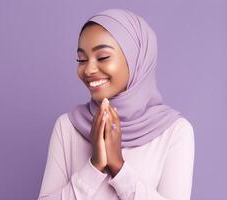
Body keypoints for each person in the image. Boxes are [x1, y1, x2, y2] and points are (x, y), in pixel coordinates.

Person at [37, 8, 195, 200]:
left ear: (136, 59)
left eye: (102, 57)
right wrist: (93, 168)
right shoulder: (67, 126)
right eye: (82, 59)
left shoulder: (175, 132)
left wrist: (118, 167)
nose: (88, 69)